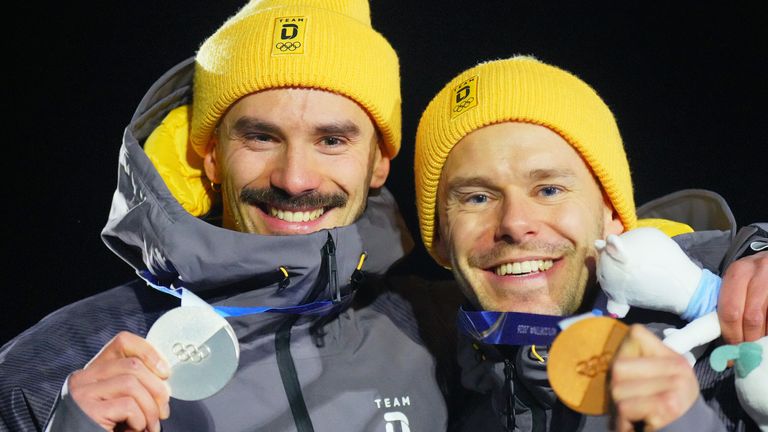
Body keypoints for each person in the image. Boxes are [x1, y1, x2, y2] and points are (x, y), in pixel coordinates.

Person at [0, 1, 463, 431]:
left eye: (332, 141)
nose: (295, 179)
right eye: (261, 137)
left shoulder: (443, 332)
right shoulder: (51, 368)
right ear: (213, 156)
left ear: (379, 160)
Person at [413, 56, 768, 431]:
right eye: (477, 198)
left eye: (549, 189)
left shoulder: (745, 313)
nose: (515, 224)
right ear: (438, 238)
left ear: (613, 212)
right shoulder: (447, 390)